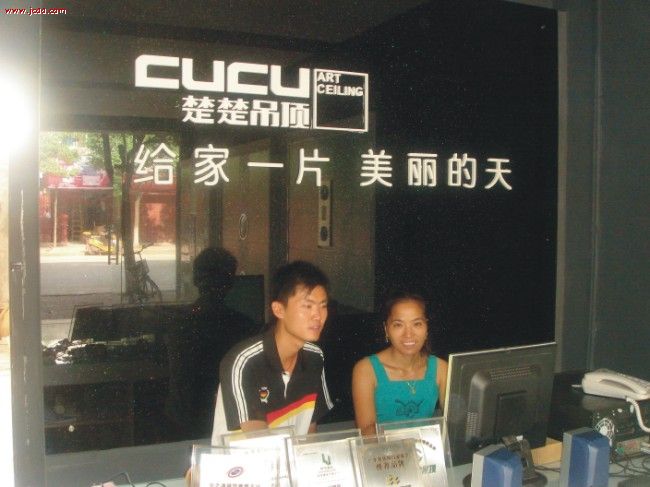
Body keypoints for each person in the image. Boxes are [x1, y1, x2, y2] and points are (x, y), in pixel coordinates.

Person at [211, 260, 333, 444]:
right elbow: (258, 442)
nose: (318, 315)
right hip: (242, 460)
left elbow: (310, 428)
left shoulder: (315, 357)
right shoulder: (244, 361)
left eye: (323, 305)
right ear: (279, 309)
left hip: (293, 460)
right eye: (308, 306)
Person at [165, 247, 257, 439]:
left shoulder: (177, 323)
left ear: (196, 279)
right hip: (228, 420)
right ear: (230, 282)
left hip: (185, 422)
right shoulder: (244, 326)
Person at [351, 291, 448, 435]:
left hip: (426, 447)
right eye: (398, 325)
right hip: (384, 449)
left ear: (427, 328)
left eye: (417, 324)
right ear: (386, 329)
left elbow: (455, 422)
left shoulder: (440, 368)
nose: (408, 334)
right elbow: (366, 432)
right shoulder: (366, 369)